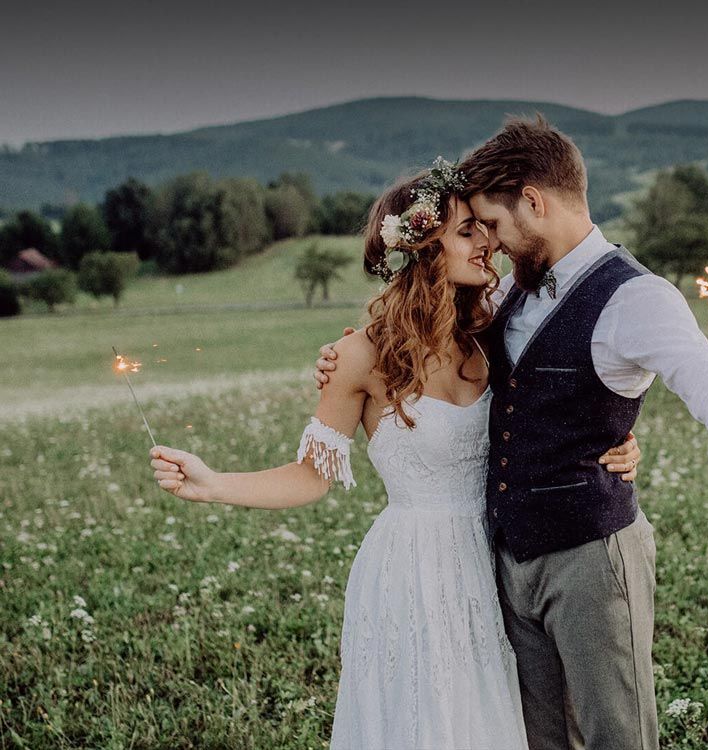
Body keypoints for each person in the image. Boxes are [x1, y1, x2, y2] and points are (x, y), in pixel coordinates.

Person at [316, 118, 708, 750]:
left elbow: (702, 372)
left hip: (590, 555)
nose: (491, 246)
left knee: (617, 733)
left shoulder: (635, 298)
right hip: (502, 559)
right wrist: (345, 359)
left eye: (493, 226)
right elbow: (450, 349)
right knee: (538, 738)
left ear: (533, 201)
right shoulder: (506, 298)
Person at [148, 158, 642, 749]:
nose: (487, 241)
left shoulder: (494, 333)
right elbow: (310, 478)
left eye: (483, 227)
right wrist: (213, 483)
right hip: (411, 571)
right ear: (422, 247)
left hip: (495, 562)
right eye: (466, 231)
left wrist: (615, 442)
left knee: (495, 721)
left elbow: (553, 411)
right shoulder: (360, 356)